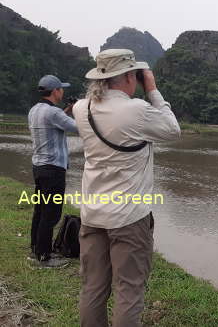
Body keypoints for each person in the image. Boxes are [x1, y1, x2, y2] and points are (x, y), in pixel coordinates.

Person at [72, 49, 180, 327]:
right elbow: (172, 130)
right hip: (129, 218)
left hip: (92, 215)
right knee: (128, 290)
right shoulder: (137, 111)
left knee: (93, 287)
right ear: (130, 76)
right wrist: (153, 90)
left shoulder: (80, 108)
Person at [28, 74, 78, 268]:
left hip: (39, 167)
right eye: (61, 89)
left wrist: (67, 110)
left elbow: (57, 124)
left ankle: (36, 248)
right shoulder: (53, 113)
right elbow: (76, 127)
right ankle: (44, 256)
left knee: (40, 210)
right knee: (51, 213)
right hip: (53, 170)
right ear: (56, 91)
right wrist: (81, 113)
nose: (62, 91)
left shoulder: (36, 110)